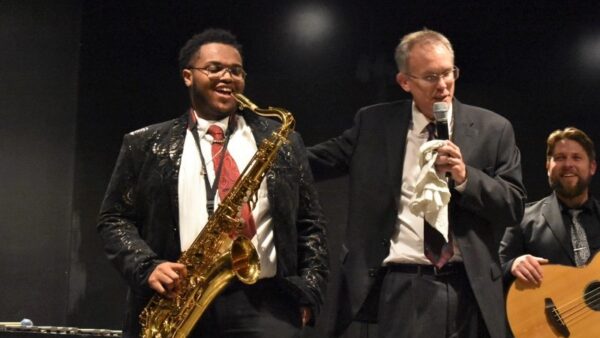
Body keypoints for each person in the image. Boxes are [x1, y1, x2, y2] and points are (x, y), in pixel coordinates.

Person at [97, 28, 328, 338]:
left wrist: (309, 291)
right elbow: (113, 219)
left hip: (268, 303)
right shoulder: (145, 143)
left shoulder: (282, 140)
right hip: (179, 300)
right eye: (215, 68)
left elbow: (310, 223)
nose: (227, 77)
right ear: (188, 76)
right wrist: (147, 266)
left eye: (236, 70)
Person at [308, 29, 525, 338]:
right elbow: (315, 161)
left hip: (471, 286)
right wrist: (255, 144)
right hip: (406, 284)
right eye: (430, 77)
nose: (443, 86)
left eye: (448, 73)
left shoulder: (494, 129)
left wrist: (466, 178)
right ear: (405, 82)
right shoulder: (374, 124)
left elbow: (513, 206)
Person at [499, 127, 599, 287]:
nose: (568, 164)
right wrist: (513, 265)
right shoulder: (522, 219)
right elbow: (494, 272)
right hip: (547, 311)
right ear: (547, 166)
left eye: (576, 157)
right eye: (560, 157)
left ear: (592, 167)